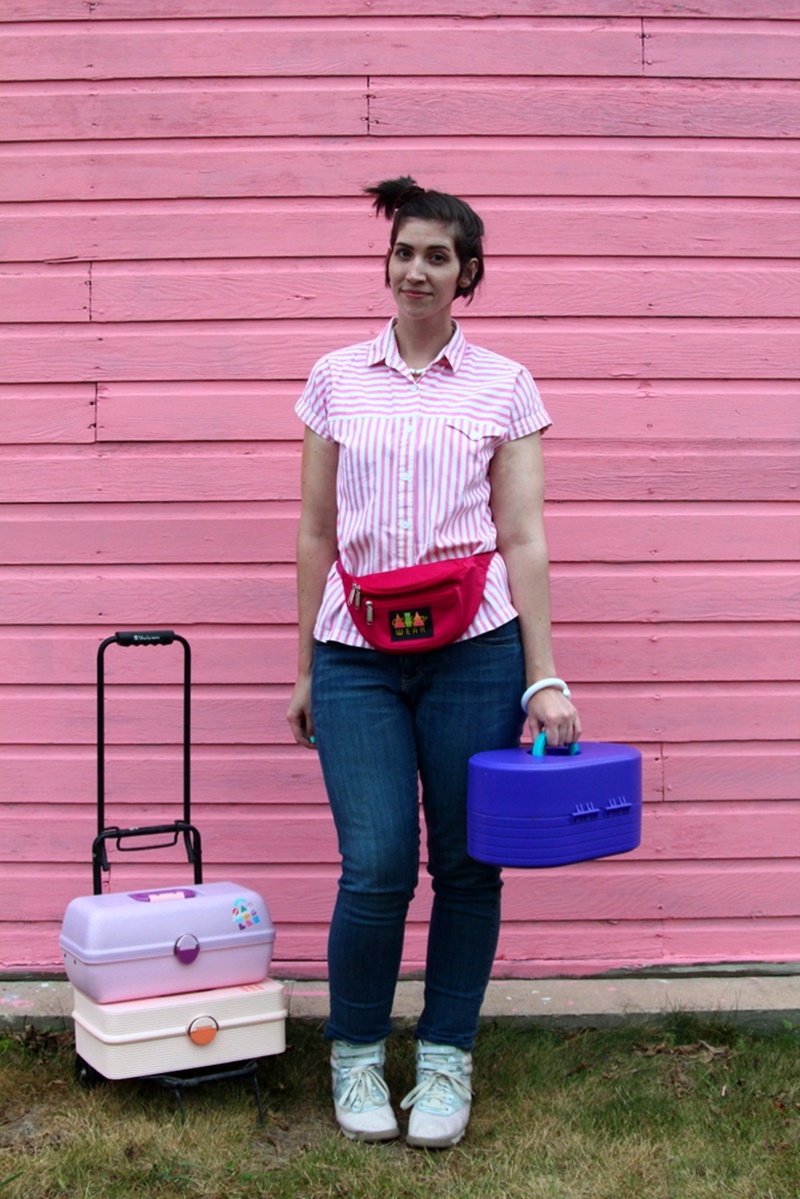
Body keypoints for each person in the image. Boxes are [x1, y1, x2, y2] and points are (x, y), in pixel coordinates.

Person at [287, 176, 580, 1148]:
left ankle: (447, 1055)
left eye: (437, 256)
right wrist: (302, 667)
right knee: (374, 865)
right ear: (387, 263)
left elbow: (522, 535)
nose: (416, 269)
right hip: (355, 653)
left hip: (474, 653)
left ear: (467, 275)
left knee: (464, 866)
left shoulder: (504, 384)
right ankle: (358, 1054)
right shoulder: (335, 376)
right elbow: (316, 529)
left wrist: (542, 674)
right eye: (403, 251)